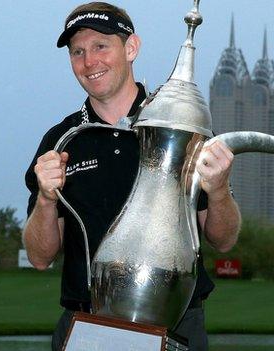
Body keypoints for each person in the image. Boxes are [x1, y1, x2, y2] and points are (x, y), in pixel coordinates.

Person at [22, 2, 241, 350]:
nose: (89, 61)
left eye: (100, 46)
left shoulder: (179, 127)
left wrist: (218, 191)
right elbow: (39, 257)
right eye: (77, 51)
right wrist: (47, 200)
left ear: (131, 48)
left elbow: (224, 239)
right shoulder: (61, 140)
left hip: (176, 322)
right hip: (87, 325)